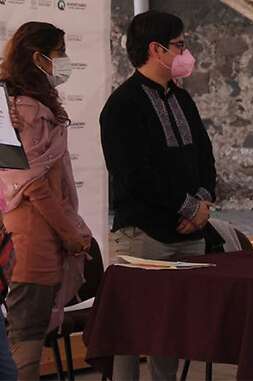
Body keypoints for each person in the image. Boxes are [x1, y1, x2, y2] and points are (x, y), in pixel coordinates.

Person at [99, 11, 216, 381]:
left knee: (174, 331)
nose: (186, 52)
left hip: (190, 234)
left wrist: (204, 203)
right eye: (180, 45)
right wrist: (188, 207)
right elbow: (134, 174)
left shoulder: (181, 99)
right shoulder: (122, 105)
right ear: (156, 49)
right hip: (144, 236)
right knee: (132, 332)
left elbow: (204, 155)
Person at [0, 21, 92, 380]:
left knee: (24, 336)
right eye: (60, 53)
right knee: (26, 339)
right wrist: (70, 231)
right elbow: (36, 184)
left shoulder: (18, 105)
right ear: (39, 58)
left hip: (25, 234)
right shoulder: (29, 110)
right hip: (33, 241)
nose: (66, 60)